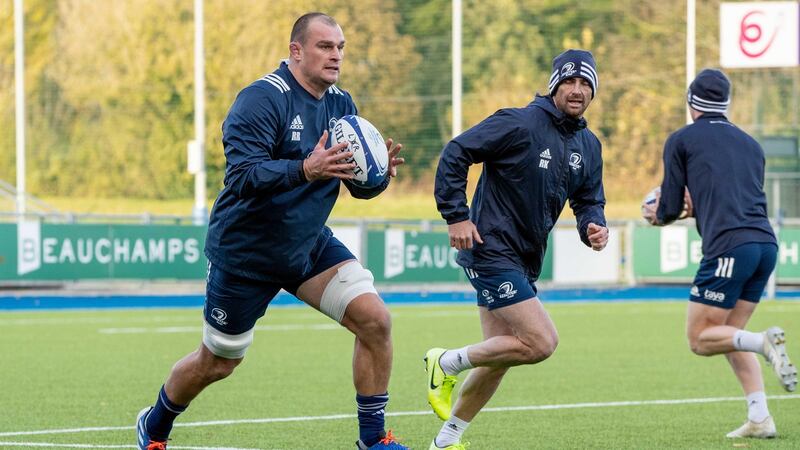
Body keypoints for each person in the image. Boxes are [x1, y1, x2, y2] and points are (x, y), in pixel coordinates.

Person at [136, 12, 408, 450]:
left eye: (340, 47)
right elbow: (242, 176)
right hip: (248, 252)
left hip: (306, 245)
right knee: (218, 362)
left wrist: (377, 177)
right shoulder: (261, 99)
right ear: (295, 51)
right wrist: (305, 168)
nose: (335, 55)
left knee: (375, 322)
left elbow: (352, 186)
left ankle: (373, 441)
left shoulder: (342, 105)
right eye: (325, 46)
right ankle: (155, 425)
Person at [426, 49, 609, 450]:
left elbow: (589, 199)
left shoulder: (589, 145)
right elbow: (458, 151)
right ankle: (445, 362)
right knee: (541, 342)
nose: (577, 90)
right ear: (554, 84)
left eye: (585, 84)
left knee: (501, 357)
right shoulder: (519, 122)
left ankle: (446, 440)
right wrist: (456, 215)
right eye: (570, 81)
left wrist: (593, 225)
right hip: (489, 248)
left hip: (525, 259)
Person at [642, 68, 797, 439]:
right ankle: (760, 417)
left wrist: (658, 214)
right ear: (726, 104)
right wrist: (696, 208)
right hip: (765, 246)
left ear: (690, 102)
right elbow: (733, 198)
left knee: (700, 338)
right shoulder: (751, 144)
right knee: (730, 333)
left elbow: (665, 208)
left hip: (729, 246)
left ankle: (764, 342)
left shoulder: (681, 140)